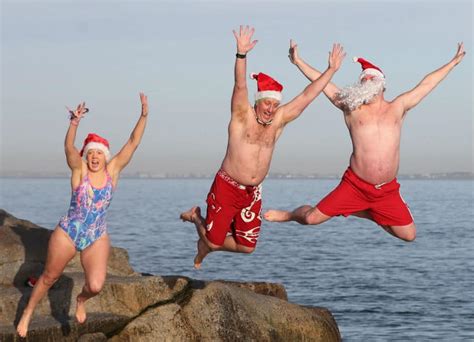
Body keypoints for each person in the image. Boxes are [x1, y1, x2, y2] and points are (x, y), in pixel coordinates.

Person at [264, 41, 466, 241]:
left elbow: (427, 84)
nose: (366, 80)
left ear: (381, 84)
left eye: (371, 77)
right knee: (310, 218)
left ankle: (364, 211)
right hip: (355, 185)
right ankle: (289, 215)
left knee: (409, 235)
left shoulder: (397, 107)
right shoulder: (351, 107)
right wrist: (298, 61)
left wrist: (452, 63)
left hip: (386, 190)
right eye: (363, 79)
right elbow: (322, 84)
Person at [180, 26, 346, 268]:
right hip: (227, 186)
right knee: (215, 243)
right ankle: (197, 218)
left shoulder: (278, 121)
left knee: (246, 247)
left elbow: (307, 96)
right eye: (266, 103)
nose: (270, 108)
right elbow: (239, 86)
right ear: (258, 102)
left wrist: (331, 70)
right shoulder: (241, 116)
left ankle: (206, 241)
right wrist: (241, 55)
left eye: (274, 104)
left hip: (252, 191)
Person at [16, 93, 149, 337]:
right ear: (86, 156)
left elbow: (132, 142)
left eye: (99, 154)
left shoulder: (113, 172)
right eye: (91, 154)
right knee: (49, 277)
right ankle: (27, 312)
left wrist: (143, 115)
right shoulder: (79, 171)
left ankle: (81, 300)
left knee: (96, 286)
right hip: (69, 233)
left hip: (96, 236)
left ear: (105, 156)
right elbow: (68, 148)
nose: (95, 157)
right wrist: (74, 124)